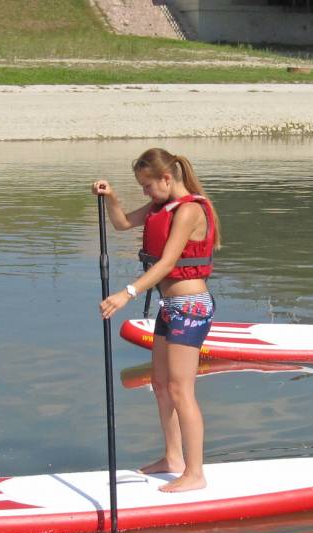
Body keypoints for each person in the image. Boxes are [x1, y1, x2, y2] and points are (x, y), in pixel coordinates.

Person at [94, 148, 219, 493]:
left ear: (167, 178)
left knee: (181, 389)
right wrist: (111, 197)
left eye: (148, 186)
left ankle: (195, 473)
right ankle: (173, 458)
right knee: (161, 386)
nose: (146, 193)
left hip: (191, 306)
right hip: (171, 305)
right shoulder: (160, 207)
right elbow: (120, 224)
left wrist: (126, 294)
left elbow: (166, 264)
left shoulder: (191, 210)